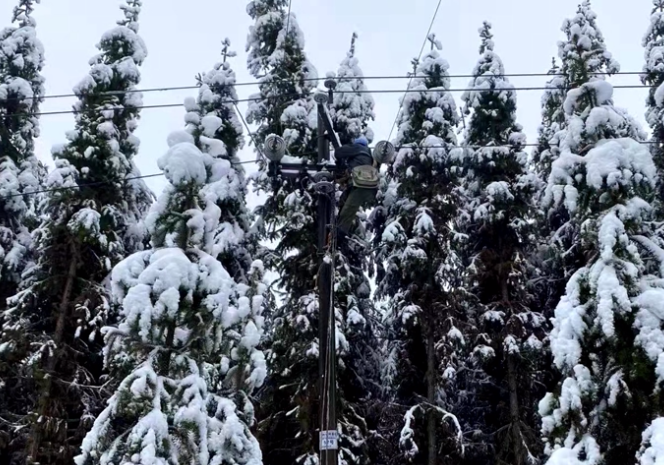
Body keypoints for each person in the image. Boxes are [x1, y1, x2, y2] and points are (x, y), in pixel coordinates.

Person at [333, 136, 378, 245]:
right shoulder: (371, 156)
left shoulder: (358, 148)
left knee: (348, 207)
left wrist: (341, 160)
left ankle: (340, 232)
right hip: (365, 185)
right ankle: (338, 227)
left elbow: (338, 152)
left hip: (359, 184)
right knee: (345, 202)